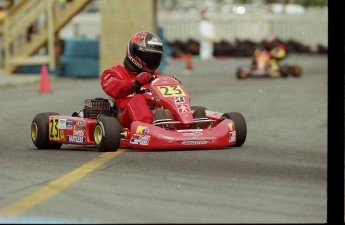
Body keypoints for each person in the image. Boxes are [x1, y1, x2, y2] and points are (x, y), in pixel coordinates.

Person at [100, 31, 165, 129]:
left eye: (155, 58)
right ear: (134, 53)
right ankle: (147, 128)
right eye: (148, 57)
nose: (152, 61)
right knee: (138, 98)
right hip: (127, 120)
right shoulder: (115, 73)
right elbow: (112, 87)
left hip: (158, 115)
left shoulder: (157, 77)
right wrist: (135, 83)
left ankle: (190, 123)